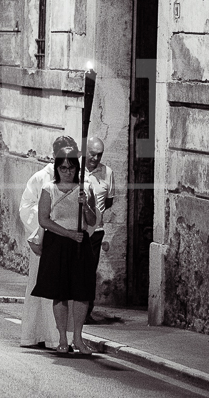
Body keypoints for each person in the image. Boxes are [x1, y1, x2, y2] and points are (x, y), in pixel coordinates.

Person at [31, 147, 97, 355]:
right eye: (63, 168)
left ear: (77, 168)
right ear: (57, 169)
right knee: (60, 292)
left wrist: (86, 205)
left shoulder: (85, 188)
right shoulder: (49, 189)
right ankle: (61, 339)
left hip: (80, 243)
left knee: (81, 292)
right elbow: (44, 220)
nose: (67, 172)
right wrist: (68, 234)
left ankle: (78, 338)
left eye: (71, 168)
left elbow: (92, 220)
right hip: (57, 243)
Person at [18, 135, 76, 348]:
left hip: (67, 241)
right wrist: (43, 224)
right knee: (41, 288)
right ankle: (36, 335)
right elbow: (26, 207)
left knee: (63, 290)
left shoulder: (77, 179)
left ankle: (60, 337)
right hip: (45, 240)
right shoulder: (41, 177)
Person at [84, 137, 116, 323]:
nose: (95, 158)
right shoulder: (74, 170)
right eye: (92, 154)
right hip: (75, 229)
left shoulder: (107, 173)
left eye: (99, 155)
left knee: (89, 272)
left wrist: (98, 214)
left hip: (96, 232)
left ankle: (86, 311)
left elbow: (109, 201)